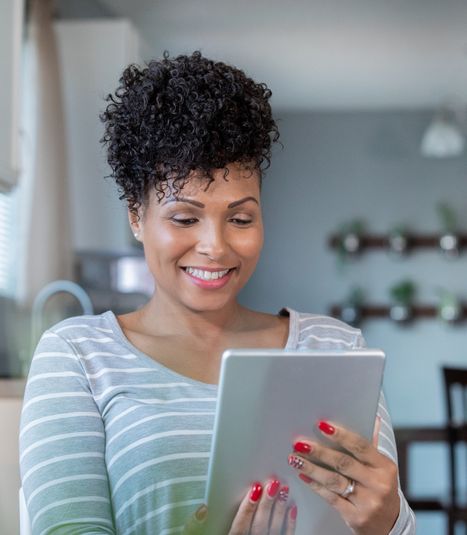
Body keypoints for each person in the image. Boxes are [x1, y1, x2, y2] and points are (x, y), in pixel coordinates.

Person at [19, 51, 415, 535]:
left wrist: (388, 520)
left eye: (241, 218)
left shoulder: (336, 348)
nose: (216, 246)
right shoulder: (78, 357)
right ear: (136, 216)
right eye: (185, 218)